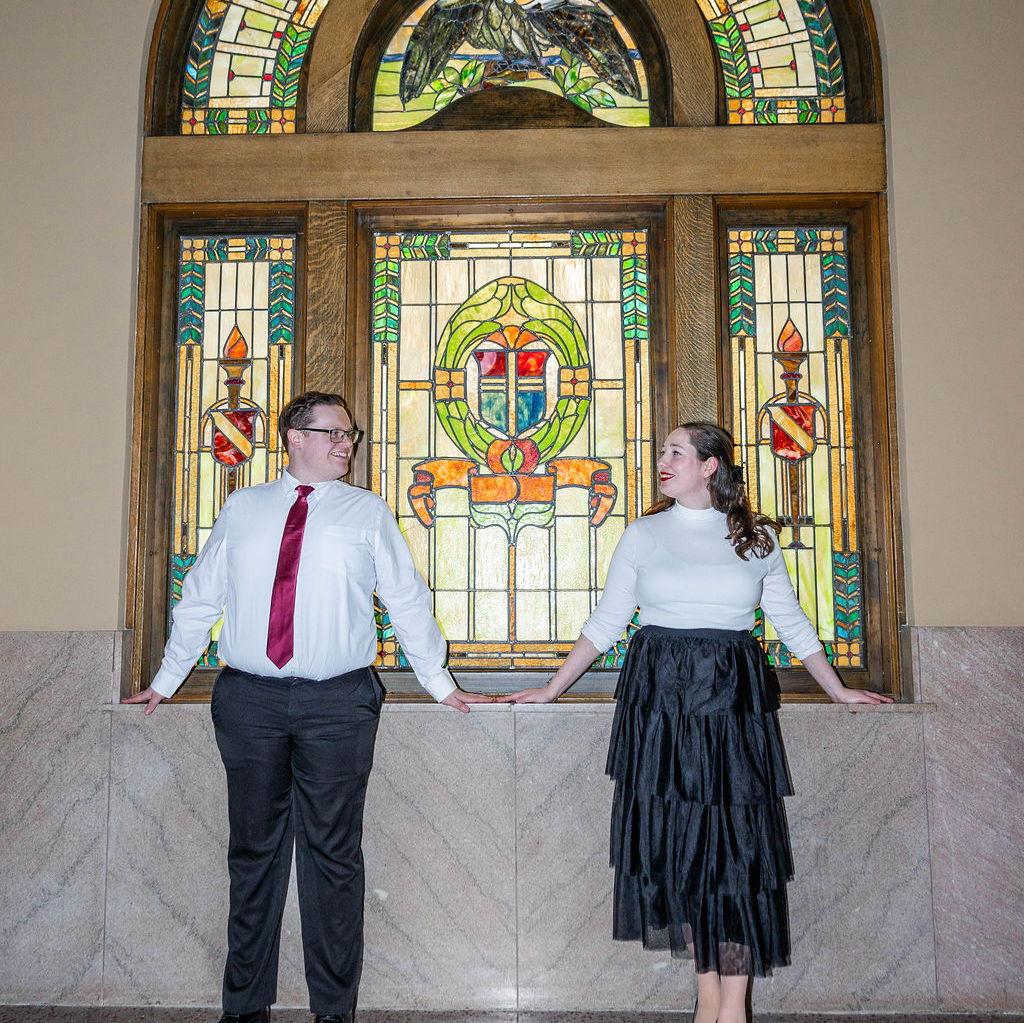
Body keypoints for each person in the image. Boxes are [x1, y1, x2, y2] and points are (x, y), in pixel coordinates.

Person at [503, 422, 891, 1023]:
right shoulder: (644, 533)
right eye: (664, 452)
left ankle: (729, 1004)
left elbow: (788, 620)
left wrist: (839, 690)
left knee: (735, 848)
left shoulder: (755, 537)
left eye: (676, 452)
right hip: (660, 704)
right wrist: (553, 688)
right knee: (682, 848)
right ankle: (708, 998)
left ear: (710, 466)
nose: (664, 460)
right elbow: (608, 622)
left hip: (731, 704)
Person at [124, 391, 491, 1023]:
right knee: (253, 852)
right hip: (249, 700)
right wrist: (166, 678)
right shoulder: (243, 510)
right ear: (296, 436)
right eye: (336, 434)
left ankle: (333, 1010)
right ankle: (243, 1008)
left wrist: (438, 681)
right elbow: (200, 599)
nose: (347, 444)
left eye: (352, 435)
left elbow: (405, 598)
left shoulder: (366, 513)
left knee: (333, 855)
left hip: (339, 703)